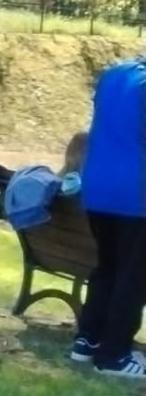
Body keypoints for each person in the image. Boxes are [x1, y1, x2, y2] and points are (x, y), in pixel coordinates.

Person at [71, 56, 146, 378]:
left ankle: (86, 341)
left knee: (108, 268)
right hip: (136, 193)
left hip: (97, 187)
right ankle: (113, 356)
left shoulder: (114, 74)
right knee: (133, 276)